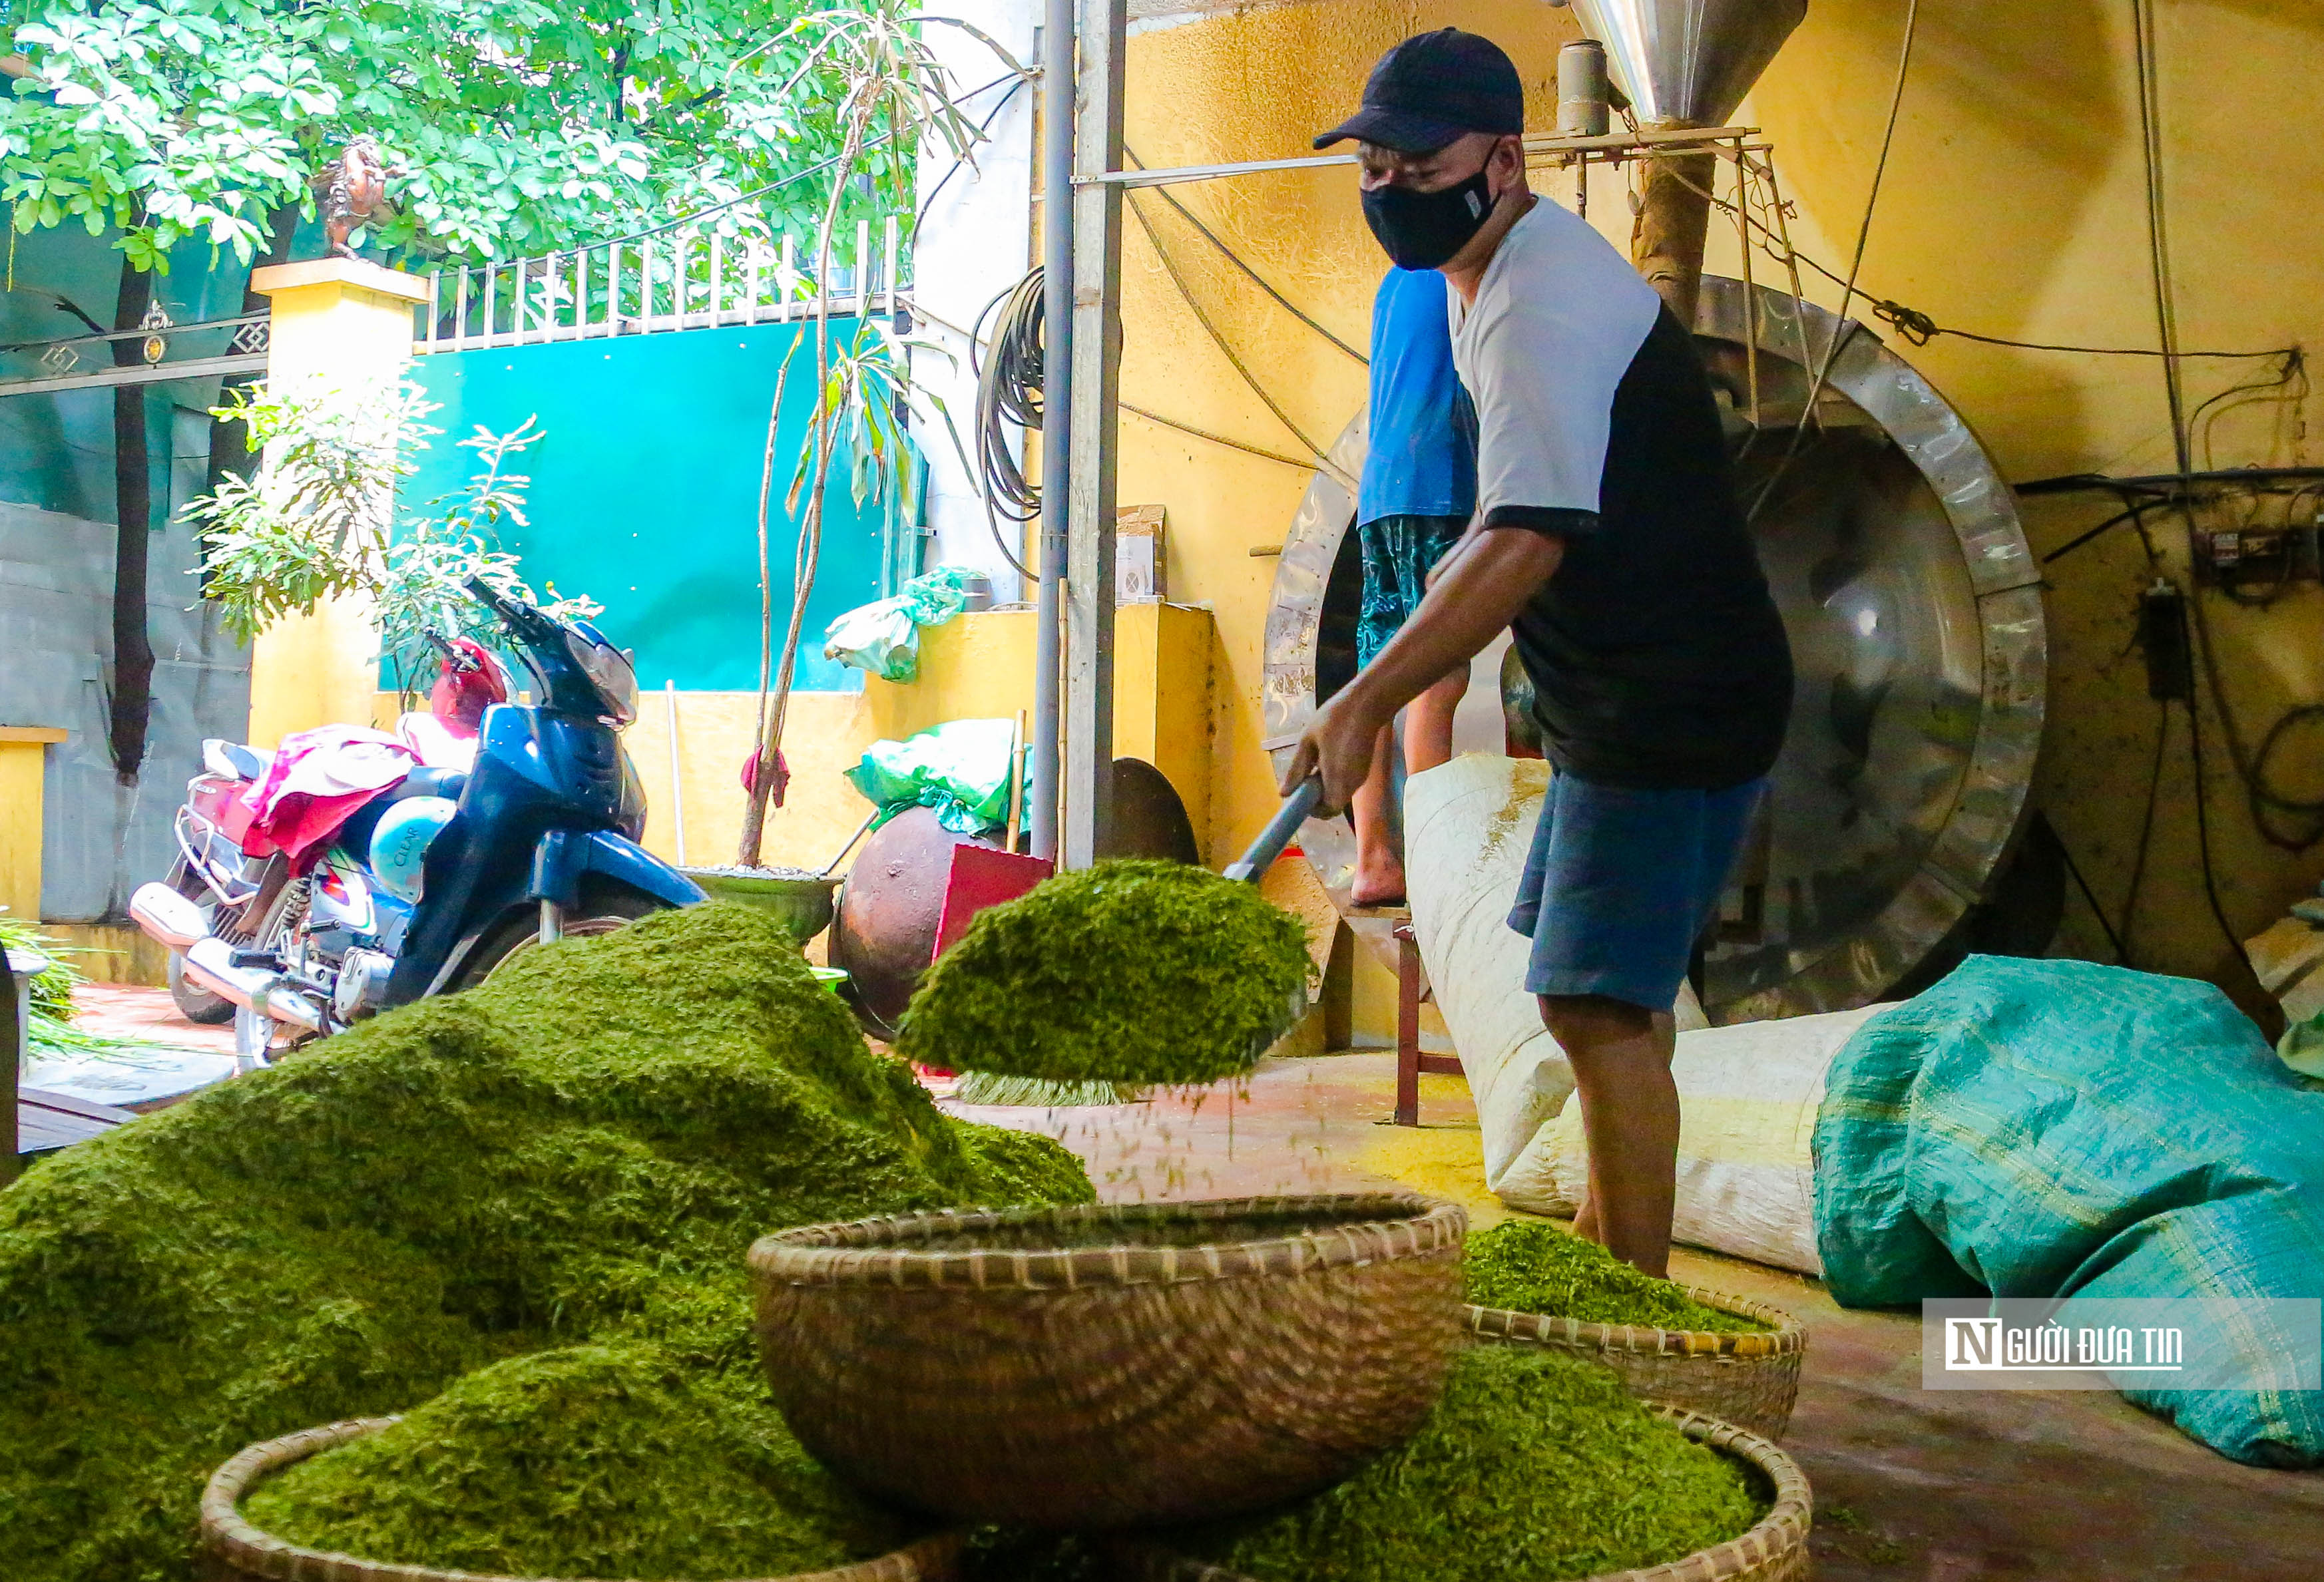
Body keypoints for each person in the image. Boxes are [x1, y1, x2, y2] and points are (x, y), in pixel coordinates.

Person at [1290, 28, 1795, 1277]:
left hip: (1668, 702)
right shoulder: (1486, 277)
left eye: (1416, 163)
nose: (1388, 190)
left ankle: (1630, 1294)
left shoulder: (1536, 302)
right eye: (1372, 166)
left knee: (1600, 1005)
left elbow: (1524, 541)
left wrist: (1364, 699)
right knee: (1584, 992)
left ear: (1504, 160)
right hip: (1613, 695)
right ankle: (1598, 1240)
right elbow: (1501, 518)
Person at [1346, 266, 1477, 906]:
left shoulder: (1396, 280)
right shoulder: (1463, 269)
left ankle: (1372, 860)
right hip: (1437, 479)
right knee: (1438, 672)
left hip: (1380, 492)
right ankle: (1433, 861)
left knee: (1379, 671)